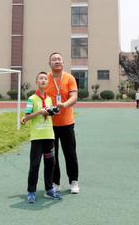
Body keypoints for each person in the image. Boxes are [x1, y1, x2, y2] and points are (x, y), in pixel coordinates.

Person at [20, 72, 62, 203]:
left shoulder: (49, 99)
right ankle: (31, 191)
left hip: (49, 137)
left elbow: (48, 114)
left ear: (48, 83)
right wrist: (39, 112)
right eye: (41, 78)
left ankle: (49, 190)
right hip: (37, 138)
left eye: (45, 79)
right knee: (35, 165)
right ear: (36, 82)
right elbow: (26, 117)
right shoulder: (31, 99)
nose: (43, 80)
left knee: (50, 164)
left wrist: (52, 111)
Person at [45, 52, 80, 194]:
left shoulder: (69, 78)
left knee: (70, 153)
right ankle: (55, 182)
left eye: (59, 59)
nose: (57, 61)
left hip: (67, 123)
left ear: (63, 62)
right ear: (50, 63)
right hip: (49, 125)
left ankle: (74, 181)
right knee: (53, 155)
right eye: (54, 59)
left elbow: (74, 96)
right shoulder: (45, 79)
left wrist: (65, 105)